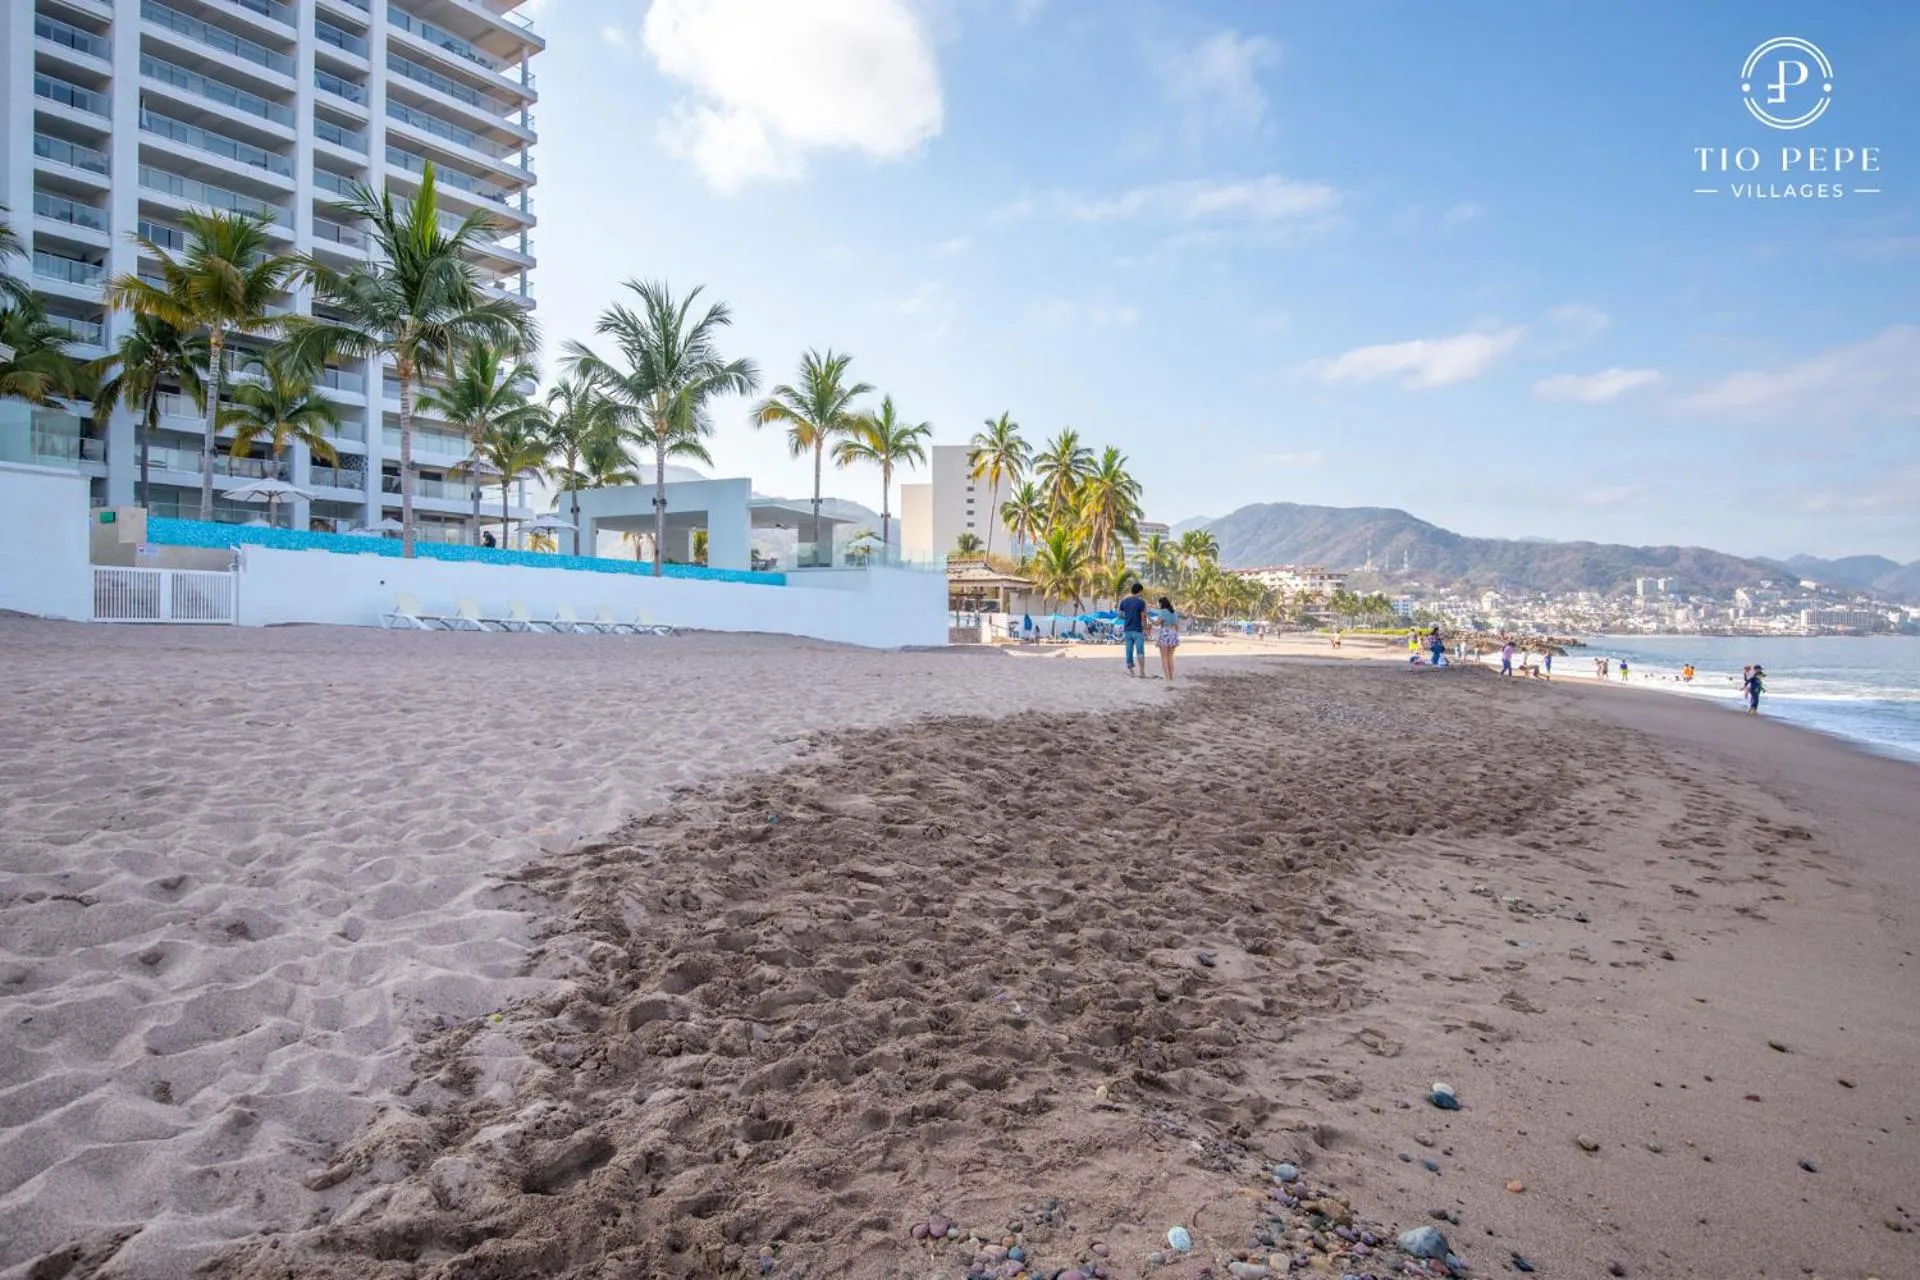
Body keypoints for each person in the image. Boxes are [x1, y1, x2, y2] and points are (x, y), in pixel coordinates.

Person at [1118, 582, 1148, 678]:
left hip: (1127, 630)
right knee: (1140, 651)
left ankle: (1131, 672)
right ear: (1139, 591)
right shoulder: (1141, 602)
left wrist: (1127, 618)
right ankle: (1142, 672)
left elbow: (1119, 615)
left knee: (1129, 651)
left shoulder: (1124, 601)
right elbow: (1143, 617)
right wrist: (1145, 628)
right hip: (1138, 630)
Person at [1155, 596, 1180, 685]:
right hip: (1173, 632)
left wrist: (1149, 619)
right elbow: (1177, 626)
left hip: (1165, 632)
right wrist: (1175, 635)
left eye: (1159, 603)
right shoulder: (1174, 612)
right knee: (1170, 657)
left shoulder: (1162, 612)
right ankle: (1171, 676)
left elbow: (1157, 623)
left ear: (1162, 604)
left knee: (1164, 657)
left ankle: (1168, 677)